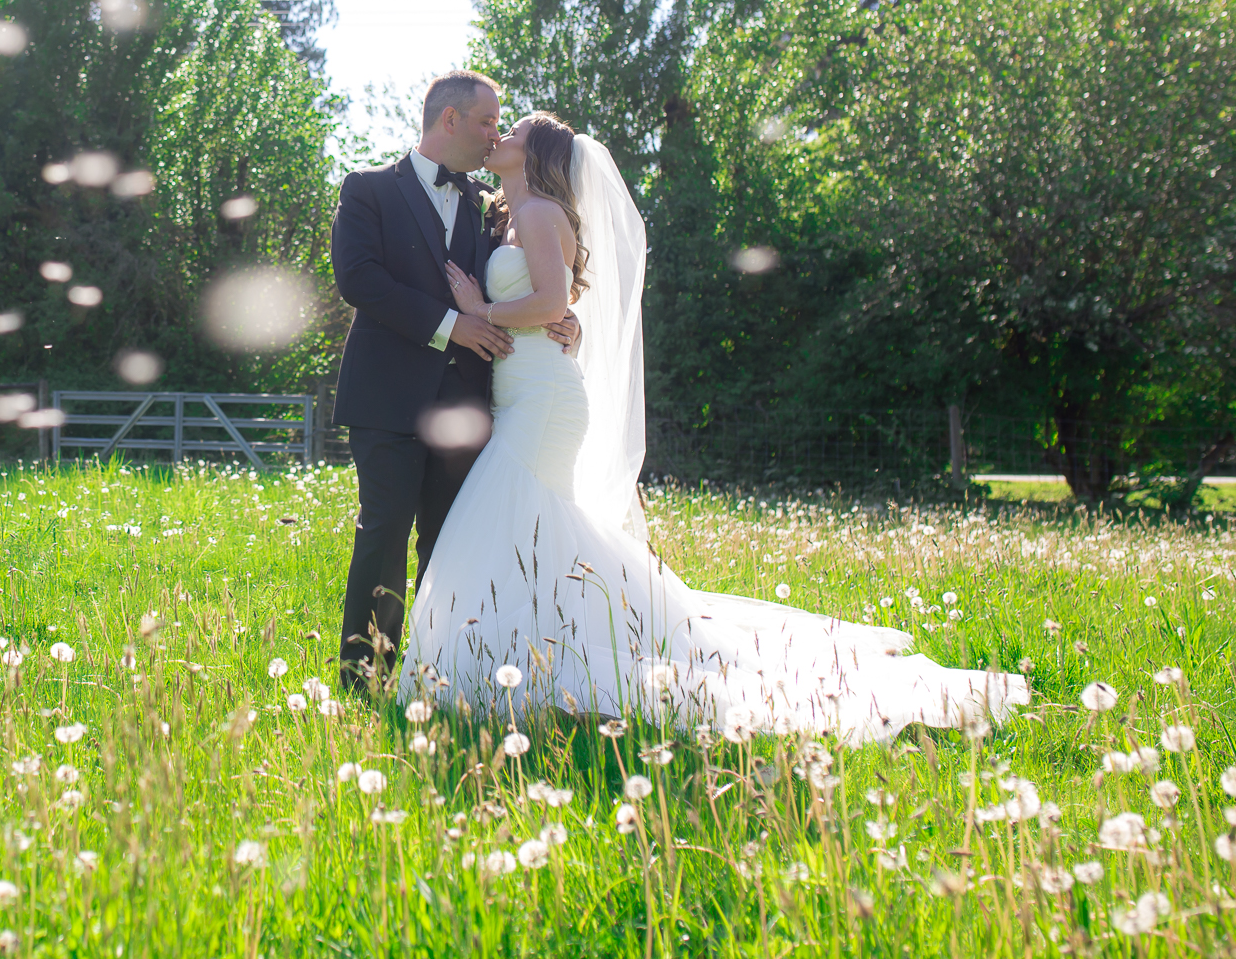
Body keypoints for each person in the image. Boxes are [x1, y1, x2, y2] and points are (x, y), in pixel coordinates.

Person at [398, 111, 1028, 744]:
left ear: (536, 155)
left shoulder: (538, 214)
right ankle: (533, 648)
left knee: (520, 510)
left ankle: (526, 658)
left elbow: (553, 306)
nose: (499, 137)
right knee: (535, 521)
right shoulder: (508, 215)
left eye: (514, 133)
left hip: (541, 402)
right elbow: (558, 306)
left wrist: (481, 310)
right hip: (525, 393)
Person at [327, 71, 576, 691]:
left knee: (450, 537)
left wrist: (564, 318)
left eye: (502, 126)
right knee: (384, 529)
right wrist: (451, 326)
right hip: (386, 395)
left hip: (468, 402)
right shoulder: (368, 190)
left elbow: (531, 281)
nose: (495, 134)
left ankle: (442, 670)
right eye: (489, 122)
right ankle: (367, 676)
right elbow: (360, 282)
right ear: (450, 121)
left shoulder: (488, 209)